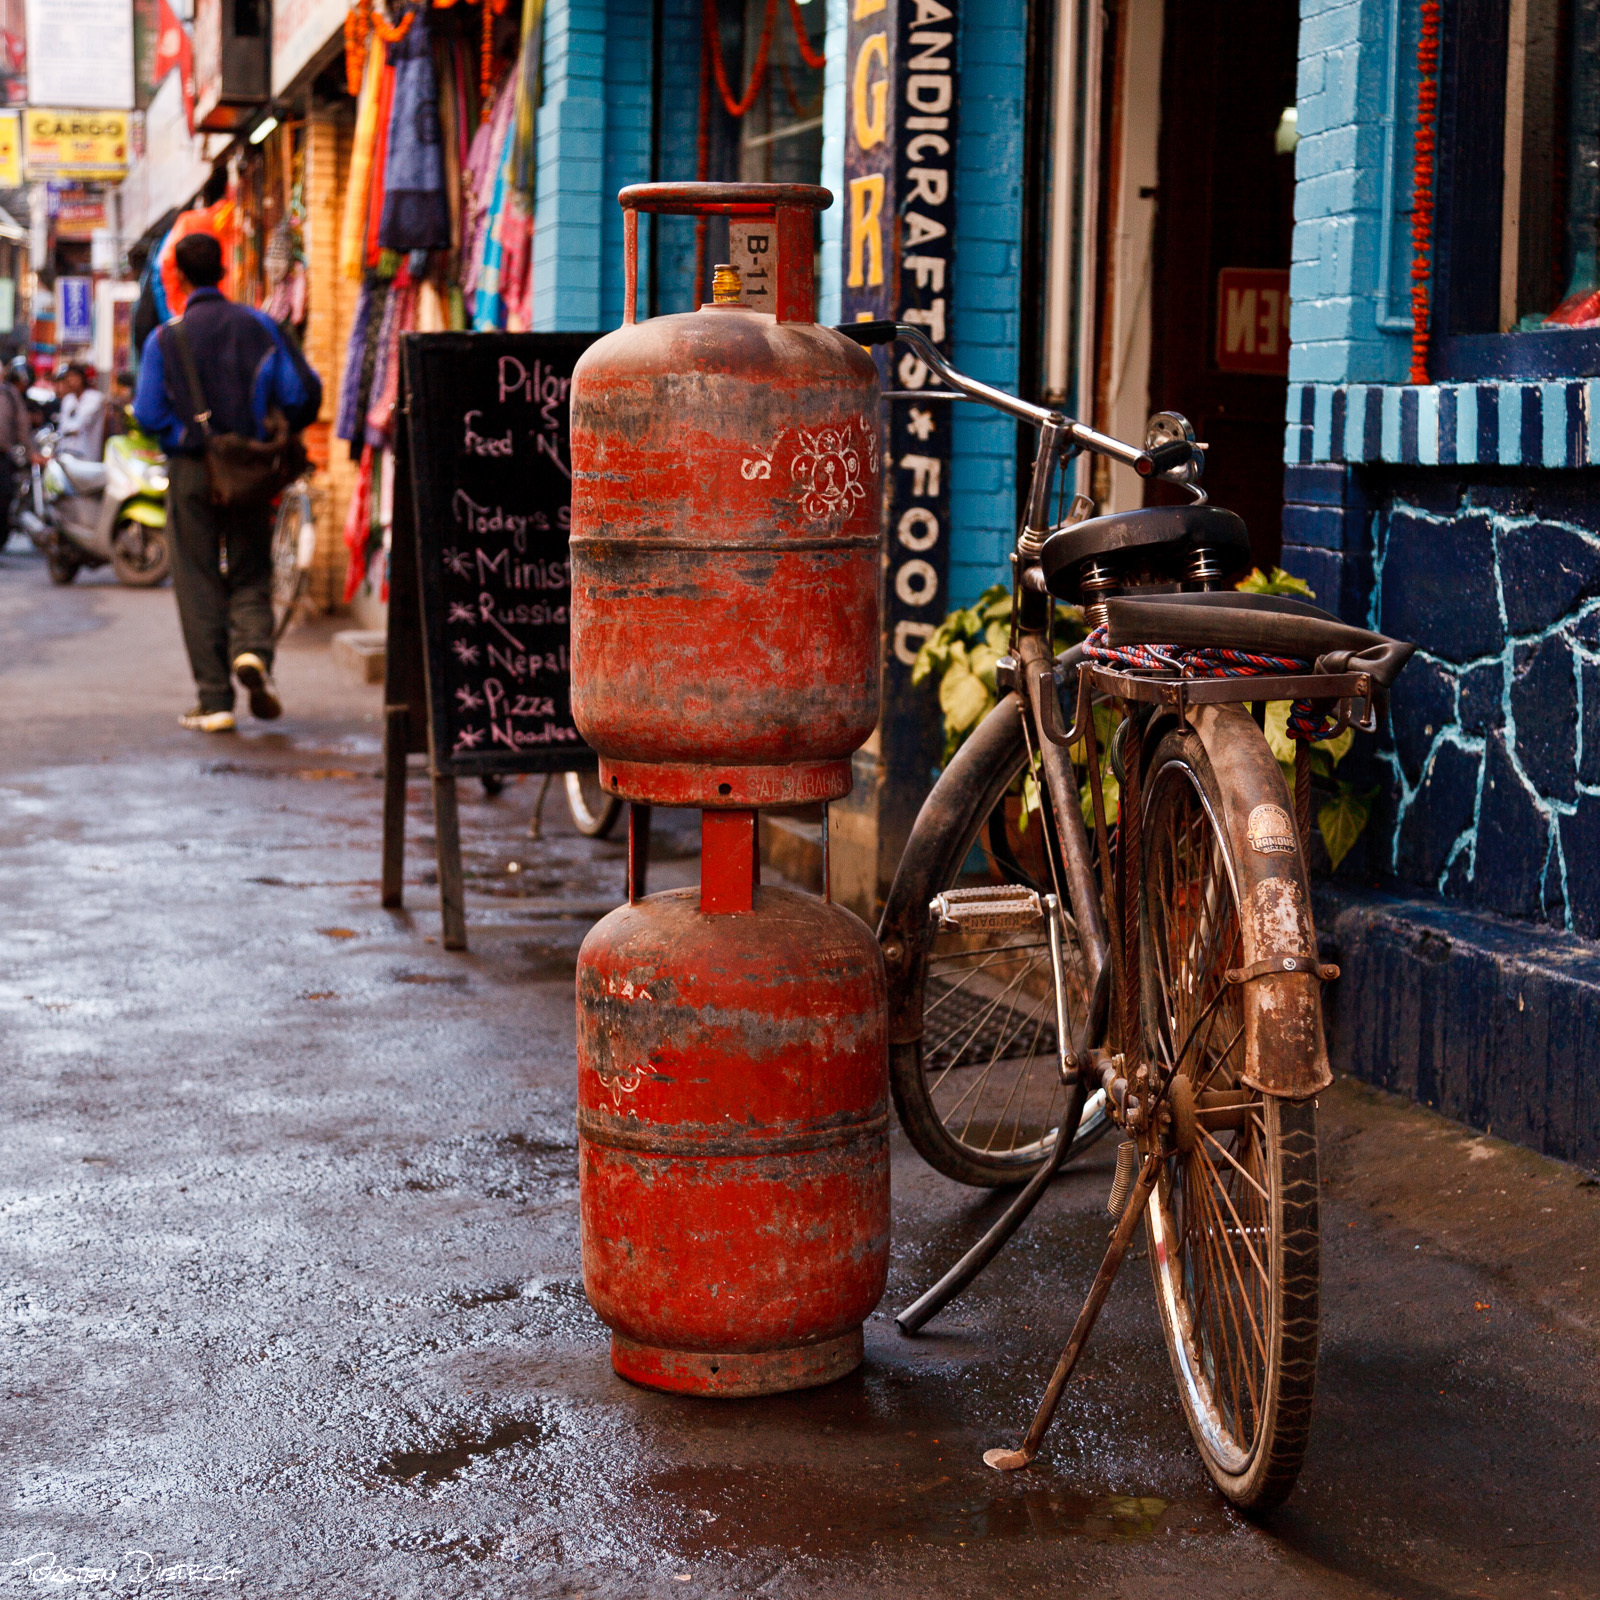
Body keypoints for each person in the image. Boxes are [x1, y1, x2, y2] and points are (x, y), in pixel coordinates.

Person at [133, 233, 323, 734]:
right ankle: (254, 652)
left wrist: (187, 434)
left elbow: (149, 411)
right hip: (251, 467)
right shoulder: (260, 325)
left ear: (178, 278)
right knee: (250, 565)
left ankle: (214, 700)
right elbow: (304, 393)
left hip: (192, 471)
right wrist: (266, 428)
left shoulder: (164, 339)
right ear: (222, 270)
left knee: (196, 579)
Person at [0, 356, 30, 534]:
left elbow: (22, 425)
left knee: (4, 497)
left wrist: (31, 452)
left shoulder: (10, 394)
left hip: (2, 456)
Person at [55, 364, 107, 460]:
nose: (70, 381)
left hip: (87, 454)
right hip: (66, 452)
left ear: (82, 378)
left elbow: (80, 424)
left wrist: (69, 429)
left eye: (74, 377)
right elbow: (63, 426)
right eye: (68, 378)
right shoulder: (68, 399)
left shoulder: (95, 398)